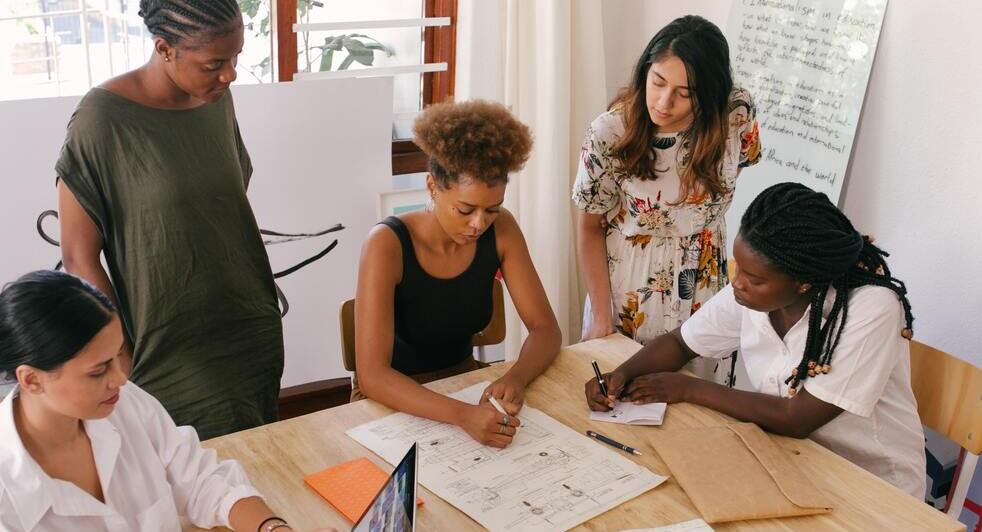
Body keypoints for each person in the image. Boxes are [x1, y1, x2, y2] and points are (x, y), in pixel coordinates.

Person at [584, 183, 927, 498]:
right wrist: (621, 375)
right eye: (739, 269)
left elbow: (798, 418)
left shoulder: (870, 307)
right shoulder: (753, 294)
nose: (737, 283)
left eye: (754, 278)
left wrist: (687, 388)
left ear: (803, 282)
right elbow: (680, 343)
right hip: (792, 461)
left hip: (873, 486)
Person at [55, 0, 283, 439]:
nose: (230, 74)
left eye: (236, 57)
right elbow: (78, 256)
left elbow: (220, 206)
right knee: (185, 486)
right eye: (214, 63)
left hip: (249, 328)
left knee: (254, 471)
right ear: (164, 49)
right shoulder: (101, 120)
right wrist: (119, 350)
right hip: (166, 347)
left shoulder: (215, 97)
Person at [0, 270, 333, 532]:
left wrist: (273, 528)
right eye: (98, 370)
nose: (120, 378)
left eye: (118, 356)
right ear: (31, 379)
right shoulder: (7, 494)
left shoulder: (124, 404)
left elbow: (202, 482)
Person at [354, 100, 562, 448]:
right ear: (433, 186)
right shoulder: (387, 244)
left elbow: (546, 329)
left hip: (464, 385)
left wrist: (516, 377)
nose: (479, 224)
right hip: (392, 400)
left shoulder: (502, 230)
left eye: (491, 210)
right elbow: (373, 376)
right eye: (465, 210)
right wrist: (462, 415)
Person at [573, 15, 762, 381]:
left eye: (684, 92)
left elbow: (736, 169)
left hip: (706, 284)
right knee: (623, 401)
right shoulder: (610, 132)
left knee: (700, 409)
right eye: (657, 81)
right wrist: (600, 317)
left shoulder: (735, 114)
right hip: (631, 289)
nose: (663, 101)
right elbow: (588, 226)